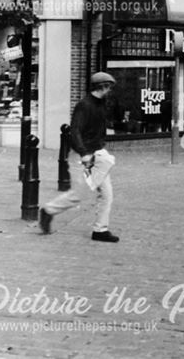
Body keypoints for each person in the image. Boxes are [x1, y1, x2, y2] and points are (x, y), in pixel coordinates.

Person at [39, 72, 119, 242]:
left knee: (107, 194)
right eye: (109, 86)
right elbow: (75, 130)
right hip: (84, 157)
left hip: (98, 155)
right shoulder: (84, 105)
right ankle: (48, 210)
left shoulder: (101, 103)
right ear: (102, 86)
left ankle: (100, 230)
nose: (110, 90)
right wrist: (83, 153)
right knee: (79, 195)